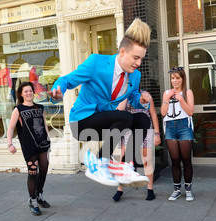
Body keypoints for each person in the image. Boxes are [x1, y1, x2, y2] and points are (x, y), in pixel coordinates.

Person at [48, 18, 152, 187]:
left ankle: (127, 166)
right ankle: (100, 163)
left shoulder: (135, 75)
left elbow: (133, 96)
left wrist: (141, 100)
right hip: (82, 122)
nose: (138, 63)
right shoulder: (96, 63)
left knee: (142, 119)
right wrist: (58, 90)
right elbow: (67, 80)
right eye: (136, 57)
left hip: (104, 123)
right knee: (125, 117)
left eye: (141, 59)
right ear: (123, 51)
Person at [7, 82, 51, 216]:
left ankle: (39, 195)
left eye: (30, 91)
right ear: (21, 94)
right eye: (25, 91)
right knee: (33, 172)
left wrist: (49, 140)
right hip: (29, 145)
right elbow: (11, 128)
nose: (29, 93)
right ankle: (32, 200)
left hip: (43, 143)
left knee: (43, 170)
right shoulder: (18, 109)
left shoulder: (40, 108)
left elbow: (44, 125)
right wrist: (10, 144)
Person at [113, 94, 161, 201]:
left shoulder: (146, 95)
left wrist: (157, 134)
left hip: (145, 128)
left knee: (146, 160)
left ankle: (150, 189)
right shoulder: (122, 96)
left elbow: (153, 114)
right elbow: (119, 111)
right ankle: (119, 189)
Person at [161, 67, 195, 201]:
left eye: (177, 78)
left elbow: (190, 112)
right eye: (172, 78)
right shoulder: (166, 93)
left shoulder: (188, 92)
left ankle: (188, 190)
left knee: (186, 160)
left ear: (182, 79)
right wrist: (167, 99)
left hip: (184, 126)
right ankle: (176, 190)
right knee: (175, 160)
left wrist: (180, 99)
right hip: (170, 127)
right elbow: (163, 113)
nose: (174, 81)